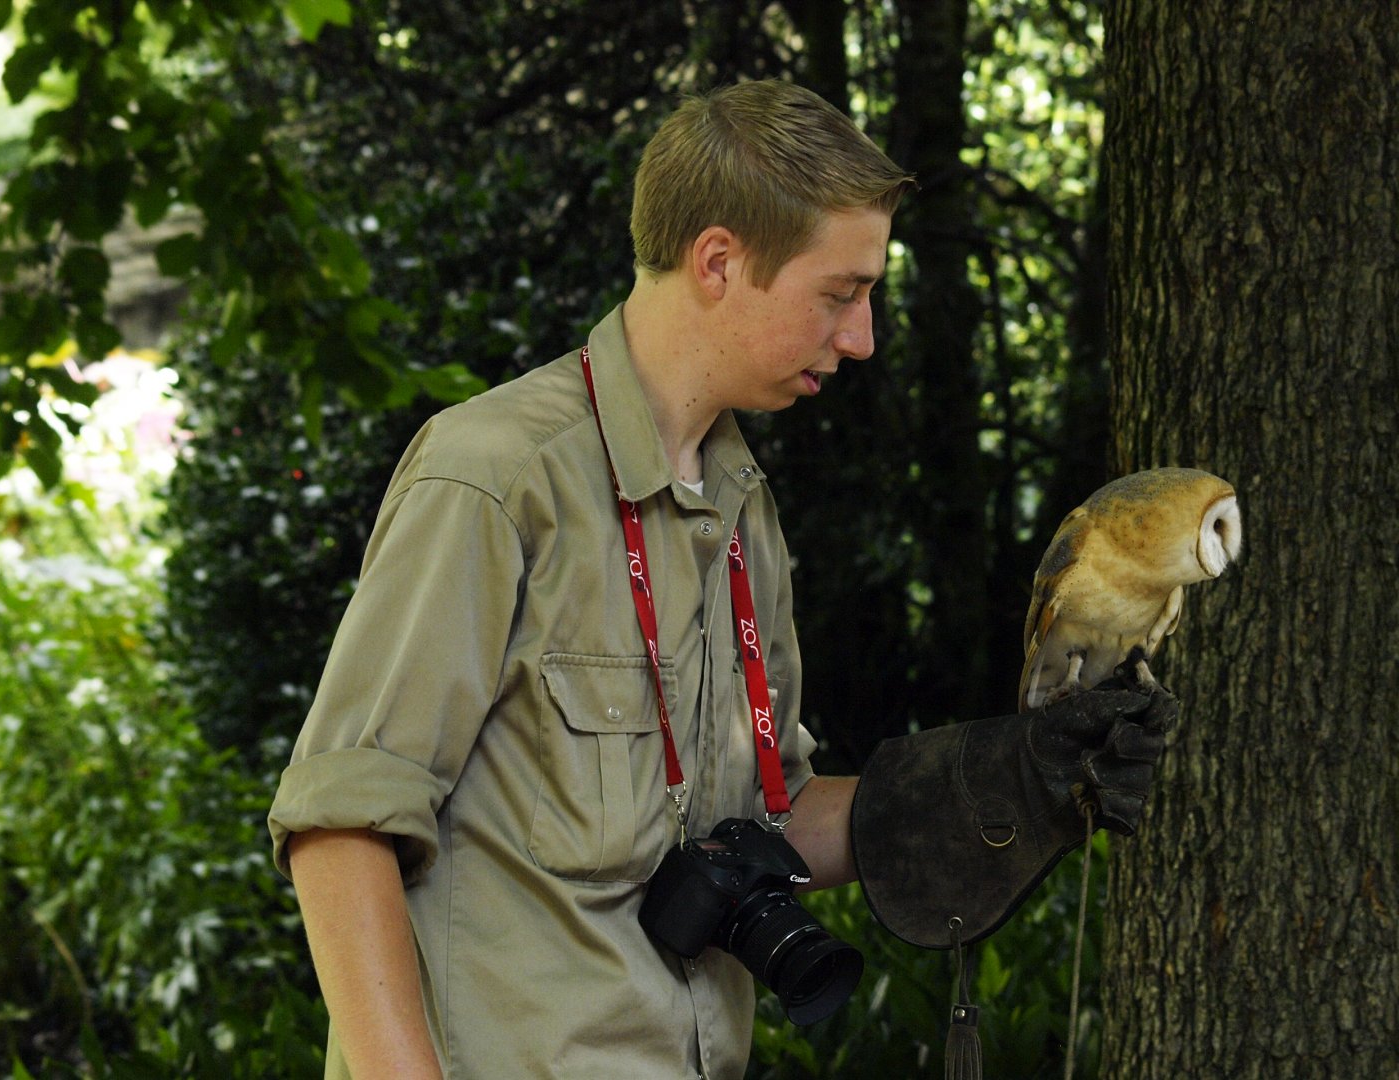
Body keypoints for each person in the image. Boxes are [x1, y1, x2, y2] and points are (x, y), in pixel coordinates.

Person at [268, 78, 1172, 1080]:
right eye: (840, 293)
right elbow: (341, 828)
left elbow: (770, 818)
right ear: (718, 262)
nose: (863, 337)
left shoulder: (744, 505)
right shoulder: (491, 477)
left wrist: (1009, 775)